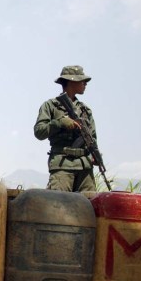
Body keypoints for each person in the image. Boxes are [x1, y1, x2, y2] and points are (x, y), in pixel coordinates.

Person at [34, 65, 98, 193]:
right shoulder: (50, 106)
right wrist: (59, 123)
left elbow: (93, 138)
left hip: (85, 167)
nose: (85, 84)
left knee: (90, 206)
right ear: (71, 81)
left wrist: (95, 155)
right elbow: (39, 132)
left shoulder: (85, 110)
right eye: (82, 80)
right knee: (59, 206)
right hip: (62, 165)